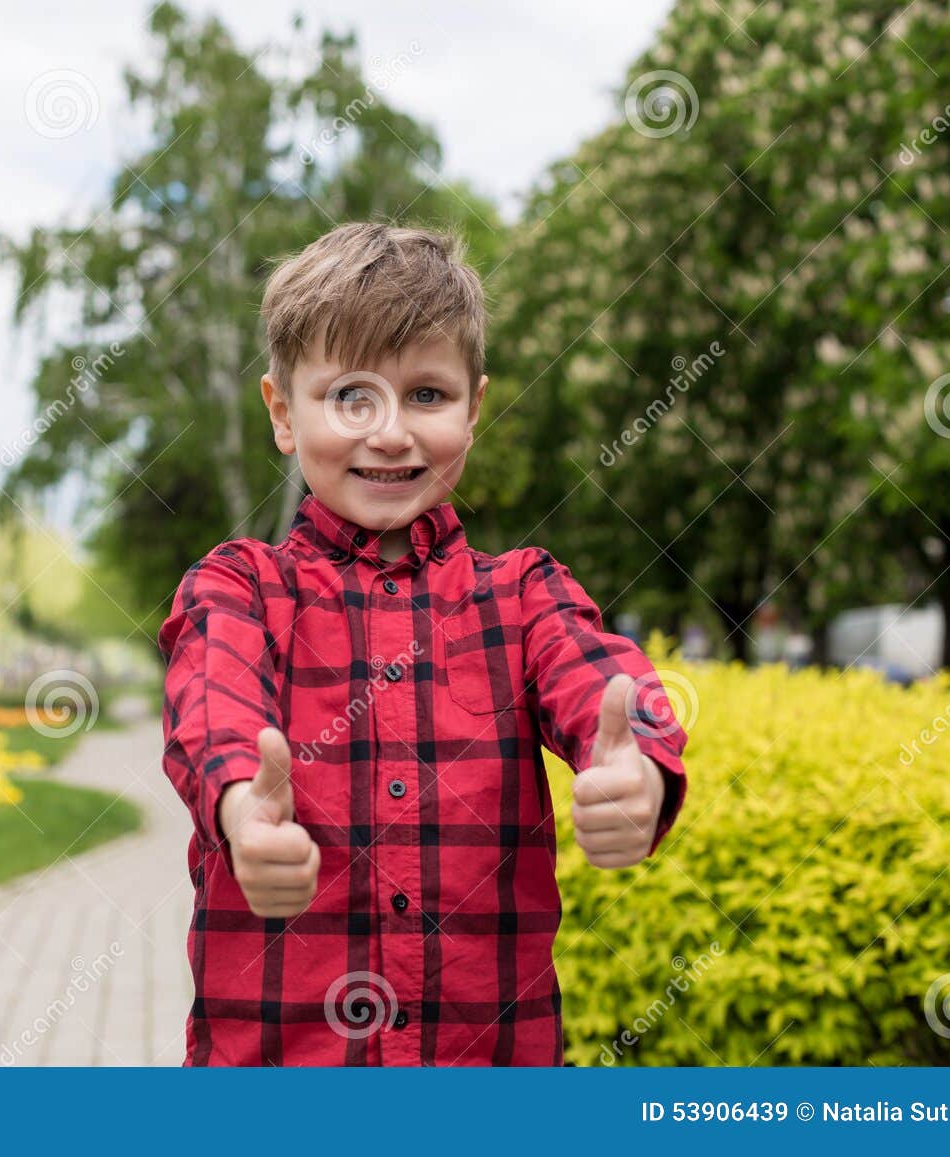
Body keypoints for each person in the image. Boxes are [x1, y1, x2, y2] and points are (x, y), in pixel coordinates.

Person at [157, 223, 690, 1067]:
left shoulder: (523, 594)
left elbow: (602, 680)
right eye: (350, 397)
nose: (392, 431)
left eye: (428, 395)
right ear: (282, 413)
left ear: (475, 407)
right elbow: (212, 708)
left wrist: (640, 771)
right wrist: (239, 811)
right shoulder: (241, 587)